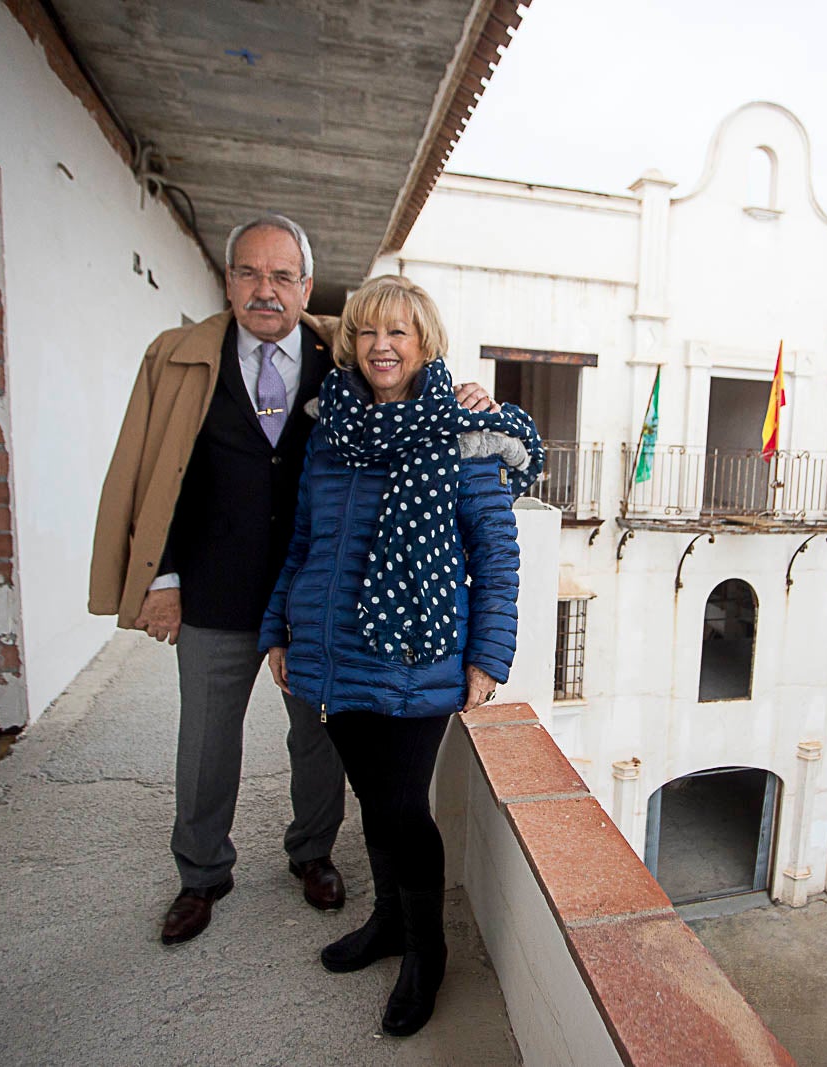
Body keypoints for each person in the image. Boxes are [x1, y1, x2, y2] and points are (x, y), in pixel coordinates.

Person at [89, 215, 496, 947]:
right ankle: (202, 874)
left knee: (319, 741)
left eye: (282, 276)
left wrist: (472, 396)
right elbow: (157, 475)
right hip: (213, 587)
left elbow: (409, 370)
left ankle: (313, 853)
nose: (265, 290)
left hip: (317, 603)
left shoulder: (337, 351)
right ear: (228, 280)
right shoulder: (181, 359)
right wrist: (161, 577)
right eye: (249, 272)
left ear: (307, 287)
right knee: (206, 741)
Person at [259, 275, 541, 1037]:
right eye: (368, 331)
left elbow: (496, 554)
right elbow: (304, 539)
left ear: (425, 343)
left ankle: (426, 952)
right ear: (351, 342)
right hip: (330, 649)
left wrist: (488, 655)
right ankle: (388, 921)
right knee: (374, 801)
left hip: (416, 652)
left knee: (402, 808)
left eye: (398, 332)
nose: (381, 346)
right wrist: (279, 628)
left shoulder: (464, 431)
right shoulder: (331, 428)